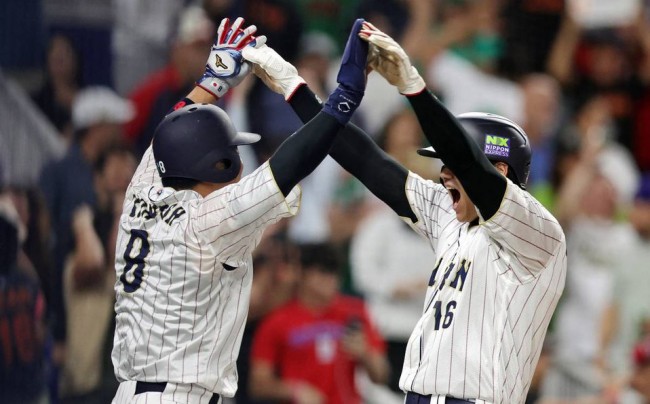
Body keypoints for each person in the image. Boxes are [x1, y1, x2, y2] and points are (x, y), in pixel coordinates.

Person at [243, 21, 567, 404]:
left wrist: (415, 88)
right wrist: (295, 90)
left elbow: (464, 159)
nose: (444, 172)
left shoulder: (537, 232)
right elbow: (367, 161)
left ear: (498, 171)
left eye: (451, 164)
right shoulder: (450, 216)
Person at [110, 17, 370, 404]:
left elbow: (168, 131)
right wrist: (341, 99)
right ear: (215, 164)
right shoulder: (209, 221)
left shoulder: (141, 194)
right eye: (230, 153)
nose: (238, 160)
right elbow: (291, 163)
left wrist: (211, 83)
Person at [249, 242, 389, 404]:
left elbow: (381, 376)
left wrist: (365, 353)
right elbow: (258, 384)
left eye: (335, 274)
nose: (331, 281)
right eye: (323, 273)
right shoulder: (277, 320)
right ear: (302, 275)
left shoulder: (355, 312)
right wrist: (293, 390)